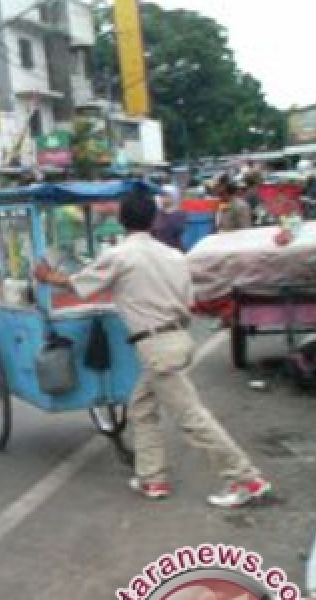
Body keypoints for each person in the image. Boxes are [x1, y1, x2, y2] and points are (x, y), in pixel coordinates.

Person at [32, 188, 273, 508]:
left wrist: (49, 277)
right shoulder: (174, 255)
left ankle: (245, 478)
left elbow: (80, 284)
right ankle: (152, 478)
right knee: (141, 409)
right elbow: (189, 302)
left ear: (121, 221)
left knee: (191, 417)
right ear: (154, 218)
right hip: (178, 340)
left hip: (157, 348)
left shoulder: (120, 256)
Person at [152, 184, 187, 250]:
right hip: (158, 252)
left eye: (164, 195)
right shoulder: (156, 215)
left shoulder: (181, 216)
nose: (161, 197)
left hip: (176, 253)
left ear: (173, 197)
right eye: (161, 195)